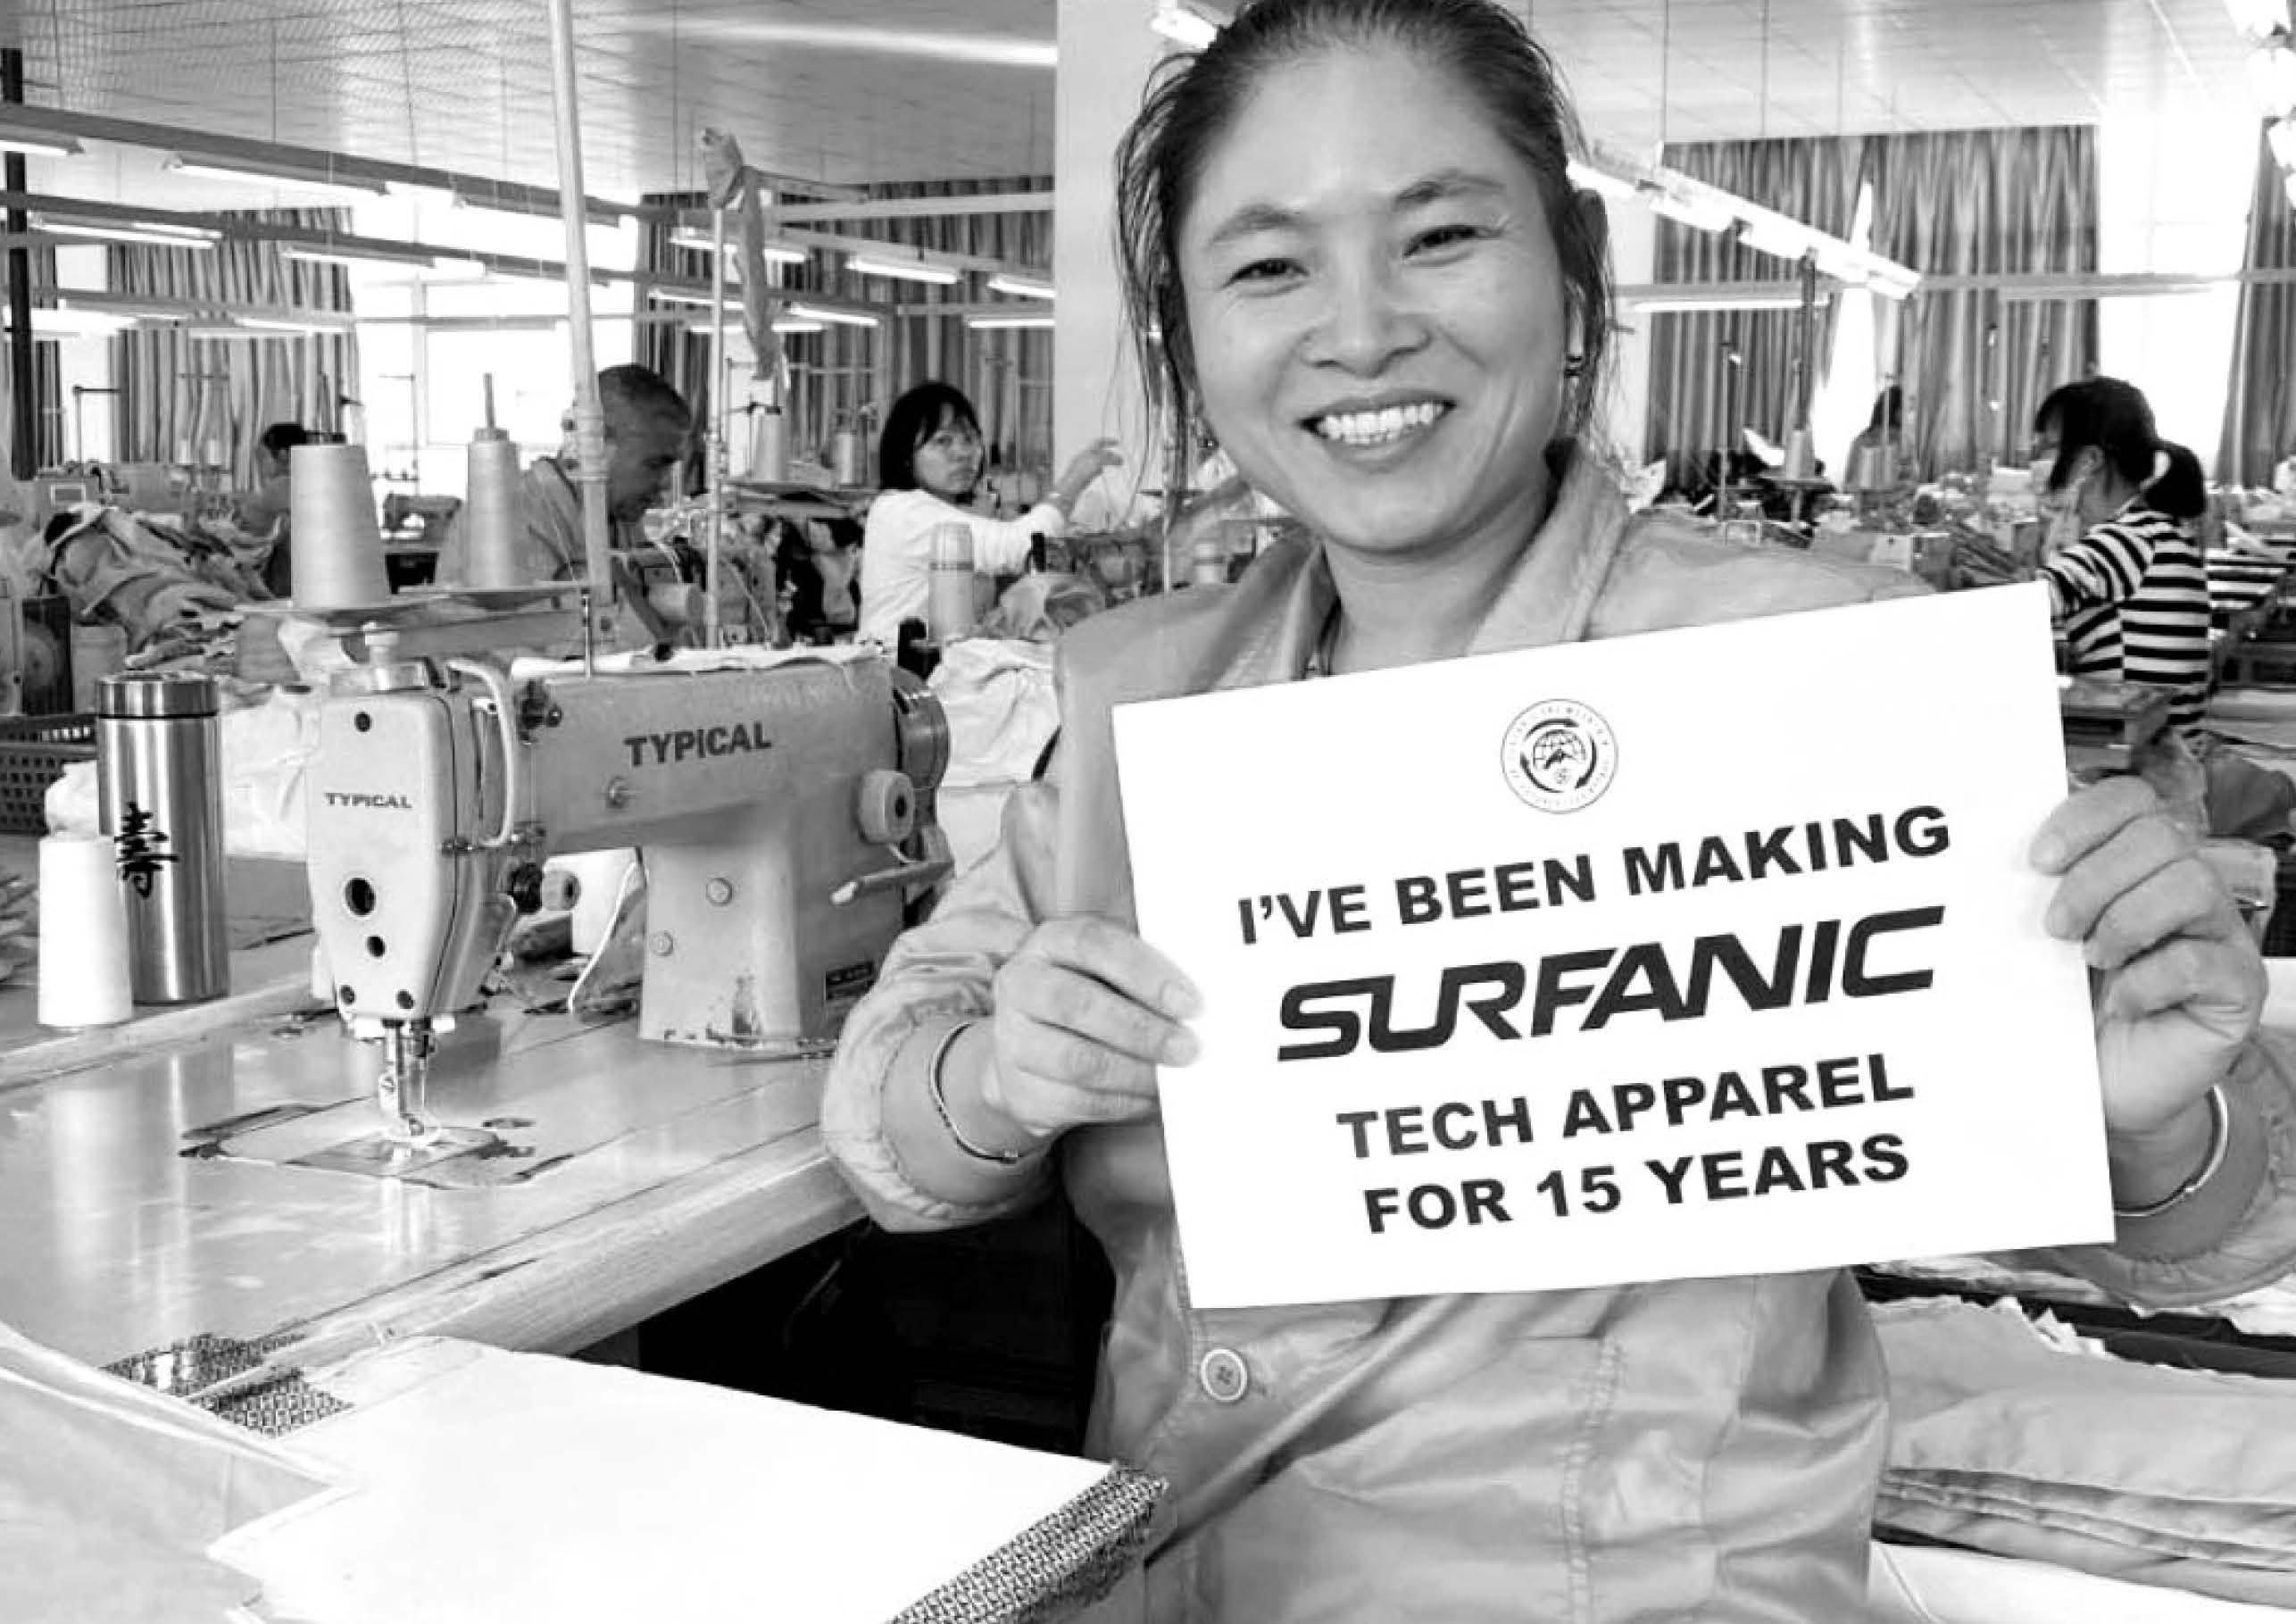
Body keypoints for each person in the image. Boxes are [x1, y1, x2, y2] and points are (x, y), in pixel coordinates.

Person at [821, 3, 2296, 1616]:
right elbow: (892, 1118)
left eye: (1440, 236)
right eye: (1269, 265)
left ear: (1573, 269)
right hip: (1173, 1568)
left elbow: (2206, 1239)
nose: (1362, 330)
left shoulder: (1826, 673)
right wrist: (1001, 1072)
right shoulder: (1141, 702)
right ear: (1186, 332)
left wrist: (2142, 1112)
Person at [1959, 379, 2212, 733]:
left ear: (2090, 460)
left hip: (2141, 752)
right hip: (2164, 741)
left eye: (2049, 447)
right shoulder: (2158, 530)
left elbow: (2022, 605)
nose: (2037, 461)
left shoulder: (2128, 539)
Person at [857, 381, 1120, 645]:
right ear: (906, 454)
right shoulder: (901, 510)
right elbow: (1019, 546)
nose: (963, 453)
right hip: (895, 664)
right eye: (942, 441)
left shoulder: (953, 512)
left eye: (970, 439)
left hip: (942, 660)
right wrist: (1074, 480)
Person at [431, 363, 692, 587]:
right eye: (656, 464)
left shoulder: (615, 513)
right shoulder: (514, 518)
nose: (666, 484)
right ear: (596, 444)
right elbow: (536, 627)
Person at [242, 421, 309, 597]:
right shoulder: (314, 480)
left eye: (262, 457)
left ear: (283, 455)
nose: (260, 466)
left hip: (292, 586)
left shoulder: (282, 485)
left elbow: (247, 525)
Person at [1844, 384, 1909, 487]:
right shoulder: (1897, 440)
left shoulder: (1861, 439)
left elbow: (1848, 483)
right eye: (1907, 409)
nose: (1909, 415)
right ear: (1897, 411)